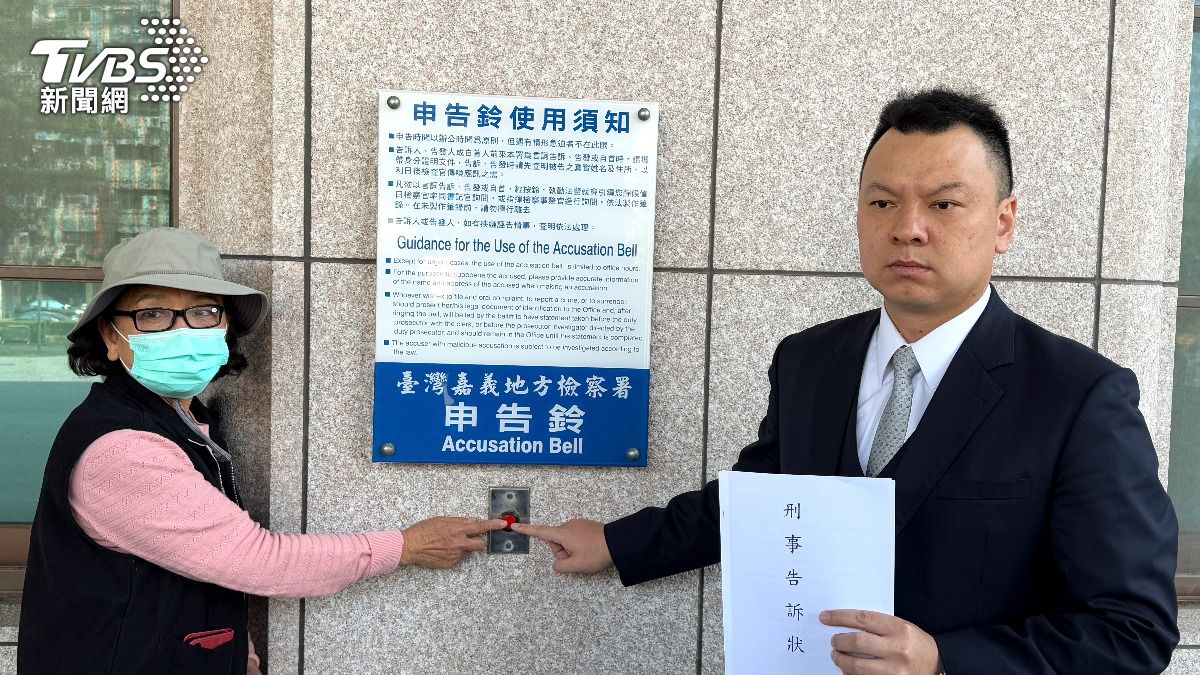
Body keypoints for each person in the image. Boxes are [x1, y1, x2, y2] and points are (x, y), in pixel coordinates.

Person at [514, 89, 1180, 674]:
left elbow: (1132, 630)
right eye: (883, 202)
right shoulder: (809, 360)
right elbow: (762, 498)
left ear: (1004, 222)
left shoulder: (1079, 397)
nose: (908, 229)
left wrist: (945, 661)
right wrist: (617, 541)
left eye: (945, 204)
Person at [17, 228, 506, 675]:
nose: (182, 330)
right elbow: (255, 559)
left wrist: (241, 654)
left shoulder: (185, 420)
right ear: (110, 336)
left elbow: (200, 556)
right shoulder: (123, 450)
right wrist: (408, 546)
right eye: (153, 314)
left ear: (224, 327)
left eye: (203, 311)